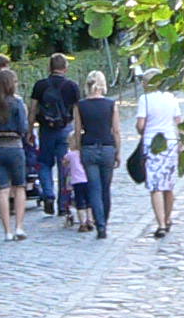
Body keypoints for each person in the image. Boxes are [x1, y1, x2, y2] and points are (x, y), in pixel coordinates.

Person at [0, 65, 33, 241]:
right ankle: (19, 227)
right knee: (19, 187)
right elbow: (23, 127)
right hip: (14, 146)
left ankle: (7, 231)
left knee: (2, 189)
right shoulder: (16, 103)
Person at [28, 52, 82, 214]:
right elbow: (77, 112)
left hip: (46, 130)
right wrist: (78, 133)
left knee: (44, 163)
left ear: (49, 67)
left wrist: (30, 130)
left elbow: (32, 109)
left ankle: (48, 194)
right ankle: (63, 205)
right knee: (64, 165)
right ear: (65, 68)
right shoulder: (72, 86)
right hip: (65, 129)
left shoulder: (40, 85)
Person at [73, 70, 121, 239]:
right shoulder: (111, 104)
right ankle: (104, 221)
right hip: (107, 147)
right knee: (105, 188)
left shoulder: (80, 105)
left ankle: (99, 224)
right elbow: (116, 130)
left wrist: (79, 149)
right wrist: (118, 151)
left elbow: (77, 131)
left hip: (89, 147)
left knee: (94, 188)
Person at [137, 76, 184, 238]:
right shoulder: (171, 97)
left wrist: (142, 130)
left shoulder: (145, 99)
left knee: (155, 186)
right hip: (170, 142)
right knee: (169, 185)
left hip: (152, 144)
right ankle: (168, 218)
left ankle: (161, 224)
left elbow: (141, 125)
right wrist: (181, 141)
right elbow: (178, 122)